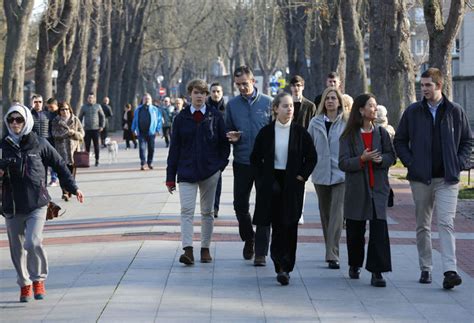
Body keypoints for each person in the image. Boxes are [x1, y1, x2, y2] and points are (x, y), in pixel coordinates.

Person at [393, 67, 472, 289]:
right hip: (421, 179)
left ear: (439, 85)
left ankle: (450, 270)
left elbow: (468, 141)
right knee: (423, 225)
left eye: (428, 85)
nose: (424, 89)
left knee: (446, 223)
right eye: (422, 85)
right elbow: (400, 140)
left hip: (447, 178)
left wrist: (459, 162)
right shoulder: (413, 112)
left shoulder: (455, 111)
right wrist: (411, 162)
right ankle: (426, 268)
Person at [1, 104, 85, 303]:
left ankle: (38, 279)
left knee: (33, 242)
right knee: (16, 249)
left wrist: (74, 188)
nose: (15, 123)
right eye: (11, 120)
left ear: (26, 121)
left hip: (37, 203)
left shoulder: (39, 143)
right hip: (11, 205)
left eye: (19, 119)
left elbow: (60, 165)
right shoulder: (2, 147)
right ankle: (25, 284)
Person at [251, 92, 316, 285]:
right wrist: (262, 179)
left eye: (291, 106)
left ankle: (287, 266)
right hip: (272, 181)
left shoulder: (300, 132)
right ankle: (278, 264)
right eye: (285, 106)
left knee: (290, 224)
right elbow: (255, 159)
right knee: (276, 224)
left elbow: (311, 157)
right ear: (275, 109)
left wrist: (302, 176)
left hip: (292, 181)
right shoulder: (266, 132)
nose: (289, 109)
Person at [166, 79, 230, 265]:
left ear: (207, 95)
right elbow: (174, 149)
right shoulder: (181, 118)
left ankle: (205, 248)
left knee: (207, 212)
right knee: (186, 210)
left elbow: (224, 144)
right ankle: (188, 250)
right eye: (196, 92)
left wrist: (220, 167)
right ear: (189, 95)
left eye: (203, 93)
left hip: (210, 172)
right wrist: (170, 177)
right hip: (186, 171)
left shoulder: (215, 115)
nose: (200, 96)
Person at [339, 93, 395, 287]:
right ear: (361, 110)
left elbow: (391, 157)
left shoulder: (382, 133)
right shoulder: (349, 135)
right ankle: (355, 264)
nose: (375, 108)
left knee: (379, 230)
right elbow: (343, 163)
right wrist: (361, 159)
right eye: (371, 105)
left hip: (378, 189)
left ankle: (377, 272)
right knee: (355, 231)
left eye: (376, 105)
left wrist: (381, 160)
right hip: (357, 190)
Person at [225, 65, 272, 266]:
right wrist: (232, 137)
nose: (242, 88)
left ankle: (261, 252)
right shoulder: (232, 105)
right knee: (240, 206)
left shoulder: (269, 103)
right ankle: (249, 238)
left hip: (264, 164)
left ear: (253, 81)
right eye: (238, 85)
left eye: (245, 83)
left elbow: (275, 131)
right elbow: (227, 130)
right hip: (243, 161)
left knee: (264, 207)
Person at [307, 87, 347, 269]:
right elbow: (308, 147)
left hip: (341, 174)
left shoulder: (346, 122)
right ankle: (330, 247)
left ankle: (332, 254)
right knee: (326, 214)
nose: (330, 101)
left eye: (334, 98)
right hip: (321, 173)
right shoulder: (315, 122)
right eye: (327, 98)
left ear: (339, 102)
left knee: (337, 214)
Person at [289, 75, 317, 225]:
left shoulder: (310, 106)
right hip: (287, 146)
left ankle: (300, 212)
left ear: (303, 87)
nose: (296, 88)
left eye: (298, 85)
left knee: (301, 180)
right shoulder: (286, 103)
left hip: (303, 147)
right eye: (293, 85)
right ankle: (289, 209)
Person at [51, 102, 85, 201]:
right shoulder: (56, 121)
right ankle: (65, 192)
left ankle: (71, 190)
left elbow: (82, 133)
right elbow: (54, 134)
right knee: (62, 173)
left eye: (66, 109)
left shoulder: (75, 119)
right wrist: (65, 134)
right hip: (61, 151)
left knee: (71, 173)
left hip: (73, 151)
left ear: (69, 109)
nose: (65, 111)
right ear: (59, 111)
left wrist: (74, 133)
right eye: (62, 109)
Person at [207, 82, 226, 218]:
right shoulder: (205, 108)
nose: (216, 94)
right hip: (206, 149)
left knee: (217, 180)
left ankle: (215, 207)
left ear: (222, 93)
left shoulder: (227, 108)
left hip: (221, 150)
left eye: (218, 91)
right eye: (213, 91)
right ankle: (207, 206)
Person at [31, 95, 58, 186]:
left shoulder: (48, 114)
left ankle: (44, 189)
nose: (37, 104)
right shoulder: (28, 115)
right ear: (32, 103)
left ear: (43, 103)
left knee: (45, 167)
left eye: (39, 102)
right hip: (33, 145)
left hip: (47, 144)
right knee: (35, 167)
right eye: (35, 102)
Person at [132, 93, 162, 170]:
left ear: (151, 100)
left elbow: (159, 120)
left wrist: (157, 130)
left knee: (151, 148)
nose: (147, 100)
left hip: (151, 132)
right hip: (141, 132)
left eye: (148, 99)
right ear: (143, 100)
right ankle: (143, 163)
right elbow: (135, 120)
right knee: (142, 148)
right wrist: (133, 129)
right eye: (145, 99)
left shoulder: (155, 109)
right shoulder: (138, 109)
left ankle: (150, 162)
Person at [374, 105, 396, 207]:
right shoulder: (389, 127)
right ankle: (388, 194)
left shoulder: (373, 125)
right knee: (384, 176)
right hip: (387, 155)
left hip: (378, 154)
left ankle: (386, 194)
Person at [78, 93, 105, 167]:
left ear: (94, 99)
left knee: (96, 145)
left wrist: (102, 126)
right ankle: (87, 161)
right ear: (87, 99)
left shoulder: (98, 106)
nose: (90, 99)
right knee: (87, 146)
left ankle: (97, 160)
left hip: (96, 129)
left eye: (92, 98)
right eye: (89, 98)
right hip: (87, 129)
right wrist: (79, 128)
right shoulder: (84, 107)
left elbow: (102, 116)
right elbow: (79, 117)